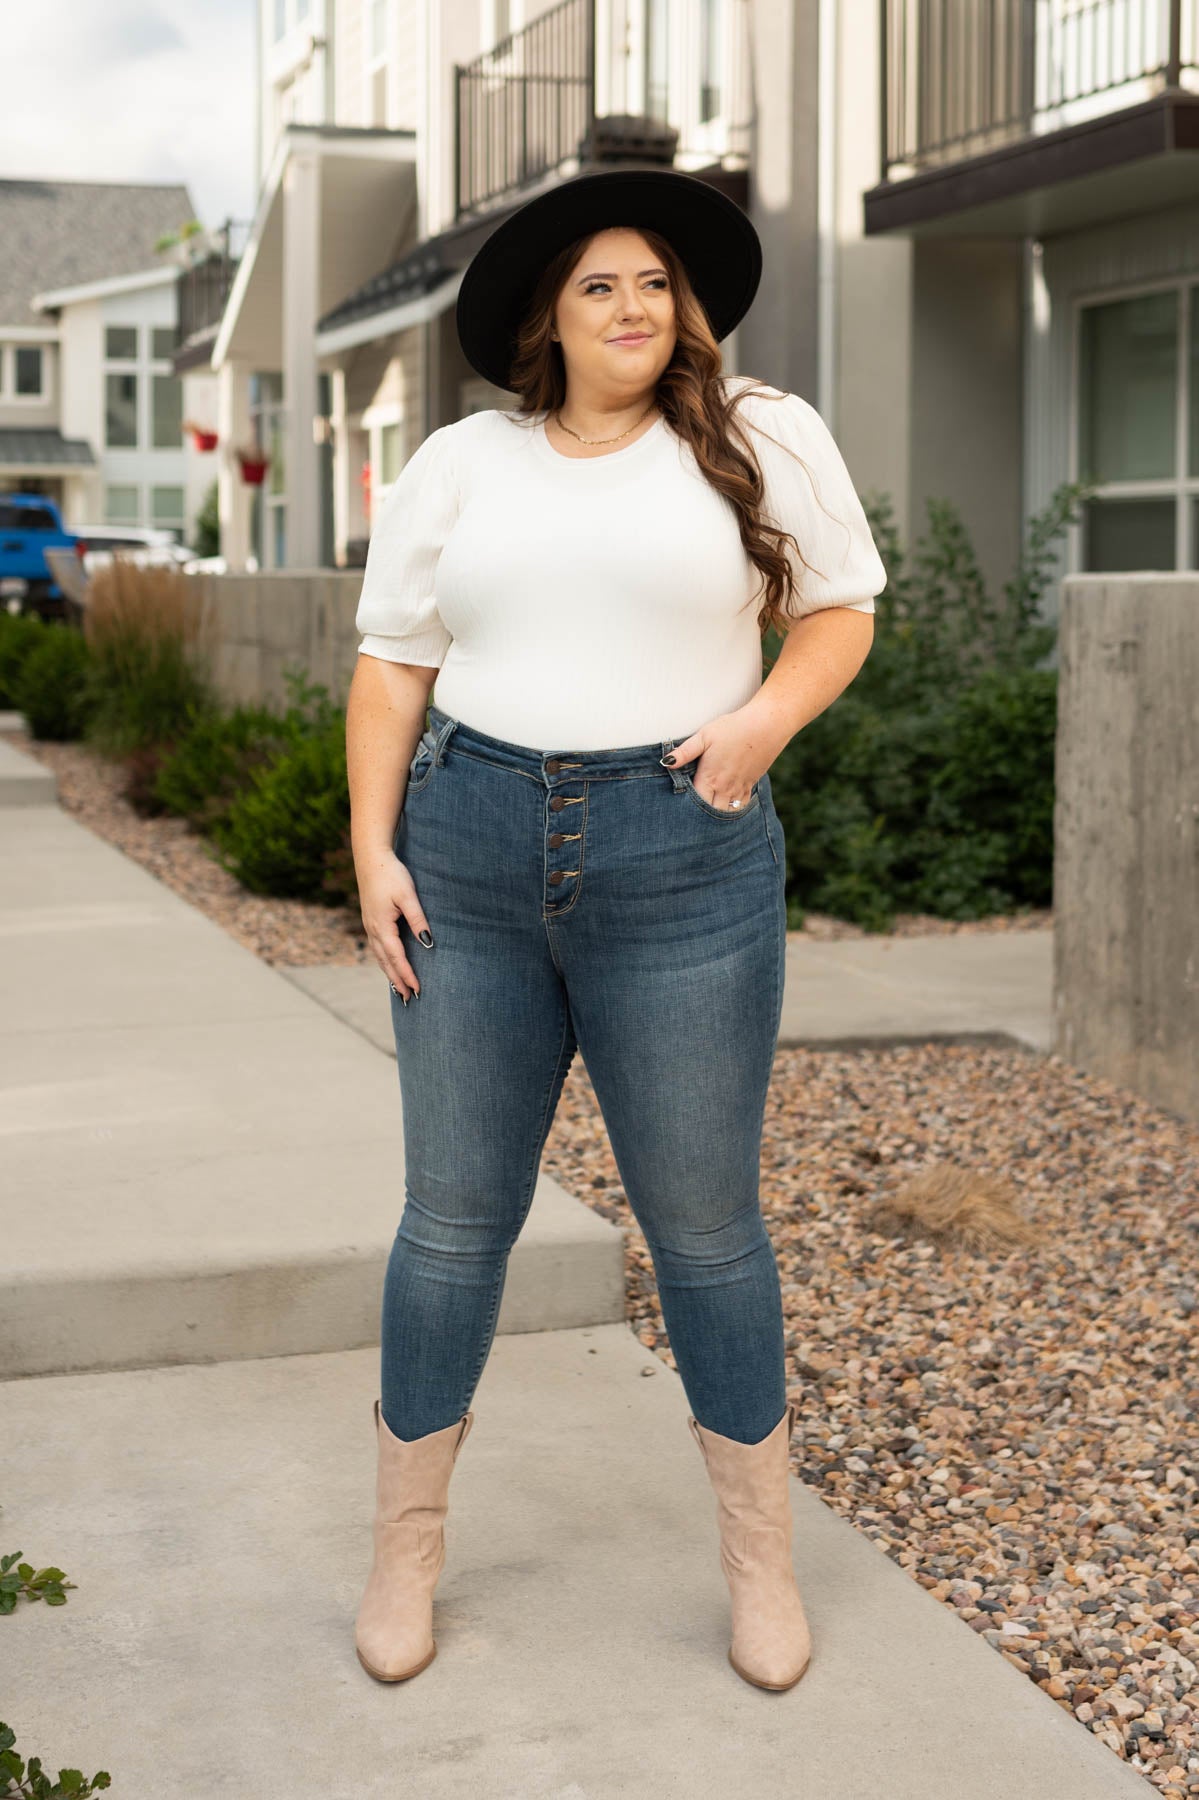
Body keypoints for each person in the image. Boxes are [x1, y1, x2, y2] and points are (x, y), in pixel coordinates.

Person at [345, 166, 887, 1693]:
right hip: (467, 854)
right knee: (452, 1227)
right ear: (550, 318)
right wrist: (373, 848)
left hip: (686, 856)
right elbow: (393, 666)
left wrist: (763, 723)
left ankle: (758, 1565)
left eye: (655, 281)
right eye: (600, 285)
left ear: (685, 304)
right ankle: (405, 1552)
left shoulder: (763, 432)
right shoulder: (465, 462)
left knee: (707, 1229)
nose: (635, 306)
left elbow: (840, 607)